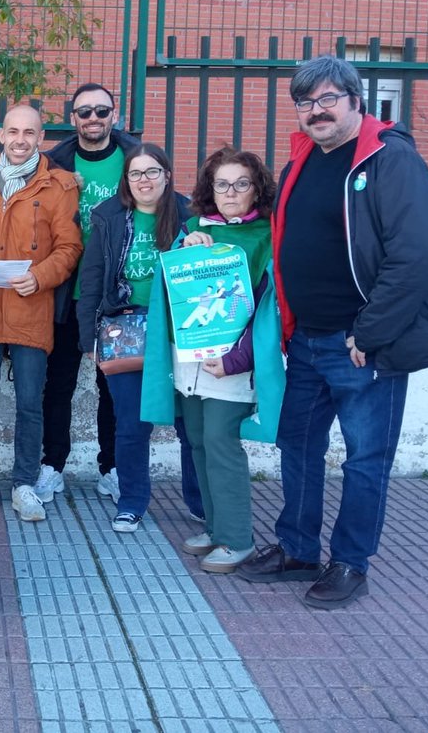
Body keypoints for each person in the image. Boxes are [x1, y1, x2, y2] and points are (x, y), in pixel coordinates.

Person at [238, 55, 428, 608]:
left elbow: (417, 256)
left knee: (364, 458)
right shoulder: (303, 161)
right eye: (306, 102)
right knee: (297, 444)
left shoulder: (389, 160)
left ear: (357, 100)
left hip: (362, 347)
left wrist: (369, 333)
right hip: (306, 338)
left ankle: (350, 563)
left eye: (328, 99)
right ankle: (298, 548)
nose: (316, 111)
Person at [142, 147, 285, 573]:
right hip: (189, 360)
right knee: (199, 441)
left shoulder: (267, 237)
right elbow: (174, 292)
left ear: (257, 189)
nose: (230, 192)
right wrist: (187, 247)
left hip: (231, 364)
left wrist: (238, 360)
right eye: (222, 184)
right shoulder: (192, 228)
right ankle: (217, 527)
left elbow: (266, 310)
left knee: (222, 444)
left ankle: (238, 538)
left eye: (241, 184)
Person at [0, 105, 82, 522]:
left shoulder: (60, 186)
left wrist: (42, 276)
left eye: (29, 132)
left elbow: (69, 246)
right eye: (13, 131)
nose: (20, 139)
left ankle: (25, 482)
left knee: (31, 402)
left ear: (41, 136)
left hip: (30, 304)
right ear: (0, 133)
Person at [76, 143, 199, 533]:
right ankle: (131, 502)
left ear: (166, 174)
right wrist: (88, 339)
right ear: (126, 180)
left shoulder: (190, 215)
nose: (144, 180)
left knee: (190, 424)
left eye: (152, 172)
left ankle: (199, 502)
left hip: (180, 331)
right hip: (124, 329)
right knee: (131, 423)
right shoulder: (109, 217)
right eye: (135, 173)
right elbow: (91, 279)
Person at [40, 83, 141, 505]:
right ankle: (52, 466)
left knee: (112, 386)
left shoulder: (135, 158)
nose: (93, 119)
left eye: (102, 111)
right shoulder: (54, 162)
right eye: (84, 112)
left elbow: (168, 203)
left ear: (114, 115)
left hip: (115, 295)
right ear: (73, 119)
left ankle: (112, 467)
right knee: (57, 383)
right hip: (66, 291)